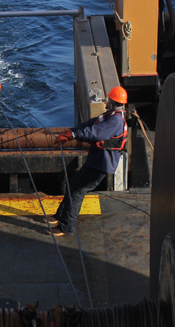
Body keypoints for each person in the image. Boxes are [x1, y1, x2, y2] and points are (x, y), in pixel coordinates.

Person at [48, 86, 129, 237]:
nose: (107, 101)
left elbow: (95, 133)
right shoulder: (110, 116)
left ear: (112, 101)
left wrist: (73, 136)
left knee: (78, 191)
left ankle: (66, 227)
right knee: (73, 185)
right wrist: (72, 131)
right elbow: (90, 124)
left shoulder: (116, 121)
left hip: (102, 164)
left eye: (109, 99)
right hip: (96, 160)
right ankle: (59, 216)